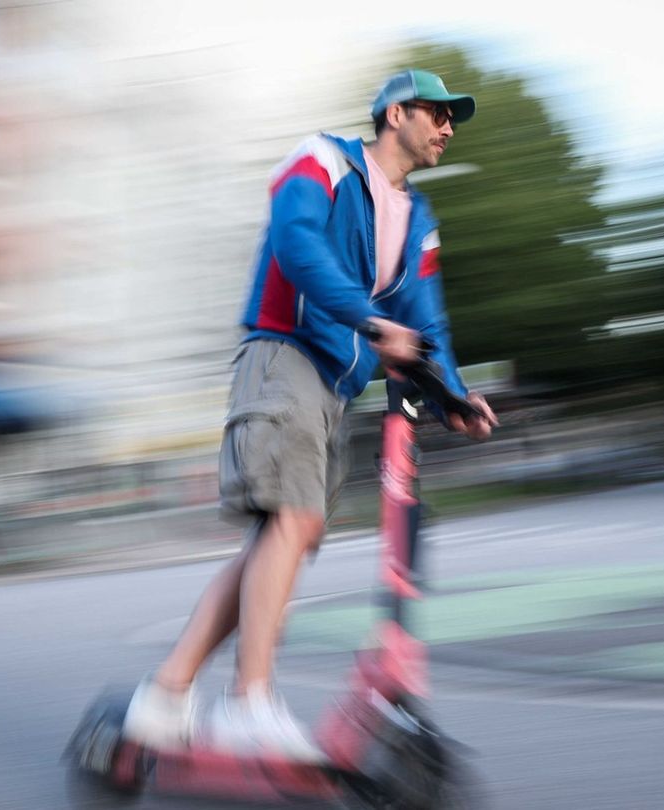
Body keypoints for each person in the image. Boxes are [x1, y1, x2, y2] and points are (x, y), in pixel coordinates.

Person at [122, 69, 499, 761]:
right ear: (394, 113)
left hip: (333, 386)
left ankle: (166, 695)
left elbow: (427, 319)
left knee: (283, 540)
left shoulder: (418, 220)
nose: (448, 128)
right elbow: (297, 247)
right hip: (284, 356)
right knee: (291, 526)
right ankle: (249, 705)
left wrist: (455, 394)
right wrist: (368, 320)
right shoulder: (322, 160)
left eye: (453, 119)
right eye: (438, 114)